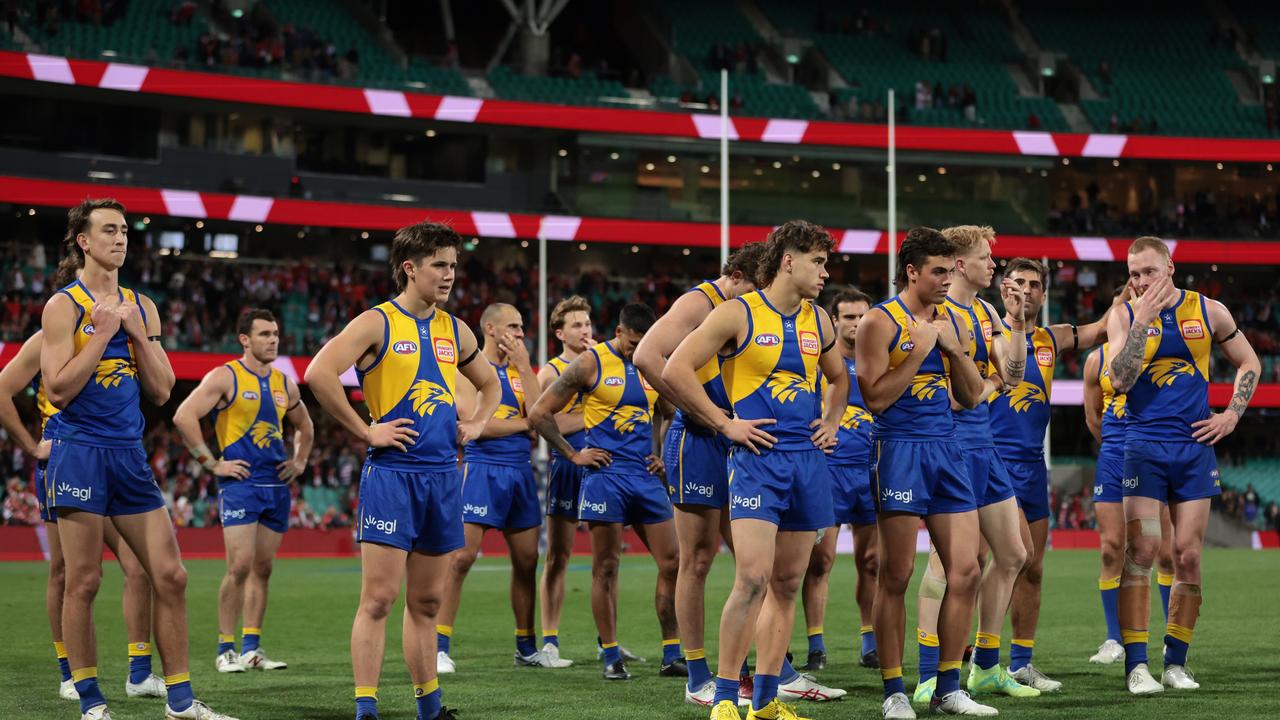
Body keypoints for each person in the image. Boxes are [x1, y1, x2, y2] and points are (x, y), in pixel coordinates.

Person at [40, 198, 235, 720]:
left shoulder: (142, 306)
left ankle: (180, 701)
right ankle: (91, 701)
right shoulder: (63, 307)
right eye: (109, 230)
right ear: (83, 240)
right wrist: (102, 332)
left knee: (170, 575)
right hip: (78, 453)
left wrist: (133, 333)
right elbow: (57, 391)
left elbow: (163, 389)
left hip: (128, 457)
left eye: (124, 230)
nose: (121, 238)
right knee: (84, 580)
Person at [304, 220, 500, 720]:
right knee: (379, 598)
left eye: (454, 265)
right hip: (392, 475)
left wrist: (475, 424)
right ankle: (366, 709)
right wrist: (365, 429)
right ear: (410, 269)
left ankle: (430, 708)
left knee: (429, 603)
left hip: (442, 478)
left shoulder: (454, 329)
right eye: (440, 265)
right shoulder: (376, 323)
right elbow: (318, 373)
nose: (450, 274)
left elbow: (491, 384)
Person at [663, 219, 849, 720]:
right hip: (756, 463)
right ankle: (725, 699)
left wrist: (831, 420)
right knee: (751, 579)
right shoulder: (737, 314)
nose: (825, 273)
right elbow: (674, 367)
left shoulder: (820, 321)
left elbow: (838, 379)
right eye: (818, 262)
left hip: (807, 463)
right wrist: (724, 424)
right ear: (789, 260)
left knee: (788, 583)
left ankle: (765, 703)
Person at [1105, 236, 1260, 694]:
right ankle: (1137, 665)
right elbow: (1118, 378)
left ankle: (1175, 663)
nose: (1140, 282)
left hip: (1194, 448)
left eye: (1148, 272)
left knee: (1188, 555)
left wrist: (1232, 414)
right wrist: (1142, 323)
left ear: (1170, 267)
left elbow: (1248, 360)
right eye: (1133, 274)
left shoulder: (1209, 311)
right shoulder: (1123, 315)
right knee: (1145, 550)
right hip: (1143, 445)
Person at [855, 227, 991, 718]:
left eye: (951, 269)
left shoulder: (955, 319)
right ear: (911, 272)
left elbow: (973, 396)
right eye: (938, 270)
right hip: (898, 450)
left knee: (968, 569)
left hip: (946, 450)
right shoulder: (878, 322)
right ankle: (894, 689)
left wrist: (952, 349)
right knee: (897, 573)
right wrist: (918, 350)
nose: (946, 279)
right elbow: (874, 398)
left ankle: (948, 687)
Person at [0, 330, 166, 703]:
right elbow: (2, 390)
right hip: (67, 461)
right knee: (68, 572)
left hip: (112, 460)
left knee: (140, 566)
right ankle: (69, 673)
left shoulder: (121, 335)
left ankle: (139, 673)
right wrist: (31, 447)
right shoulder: (49, 337)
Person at [911, 226, 1039, 703]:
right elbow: (952, 399)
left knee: (1013, 554)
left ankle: (985, 666)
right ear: (960, 265)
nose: (996, 266)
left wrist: (1020, 323)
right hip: (950, 447)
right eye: (987, 258)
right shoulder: (934, 314)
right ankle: (928, 675)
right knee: (948, 564)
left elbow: (1014, 374)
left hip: (985, 447)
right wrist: (985, 387)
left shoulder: (986, 312)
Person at [632, 242, 764, 704]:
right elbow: (647, 356)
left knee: (754, 563)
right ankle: (697, 677)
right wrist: (704, 412)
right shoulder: (699, 302)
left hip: (736, 438)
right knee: (698, 560)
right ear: (741, 275)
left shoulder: (741, 310)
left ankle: (764, 670)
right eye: (756, 286)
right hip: (701, 441)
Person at [528, 303, 684, 682]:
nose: (636, 351)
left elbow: (668, 409)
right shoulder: (590, 363)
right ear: (618, 332)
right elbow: (538, 412)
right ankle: (611, 655)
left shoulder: (653, 363)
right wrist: (572, 454)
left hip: (644, 477)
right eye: (632, 343)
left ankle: (672, 653)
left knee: (672, 562)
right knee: (606, 568)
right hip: (605, 478)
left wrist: (660, 454)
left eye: (643, 343)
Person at [988, 256, 1123, 693]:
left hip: (1030, 467)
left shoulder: (1050, 338)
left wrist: (1132, 296)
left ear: (1044, 295)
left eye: (1034, 284)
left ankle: (1020, 662)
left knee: (1033, 568)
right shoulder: (983, 333)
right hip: (987, 461)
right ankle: (970, 661)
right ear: (1003, 289)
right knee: (974, 567)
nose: (1026, 290)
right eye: (1018, 282)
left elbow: (1102, 328)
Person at [172, 308, 313, 674]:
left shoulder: (286, 383)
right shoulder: (225, 377)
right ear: (244, 339)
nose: (273, 340)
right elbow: (184, 416)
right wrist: (212, 463)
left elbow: (305, 426)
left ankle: (252, 648)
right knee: (239, 566)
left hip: (275, 485)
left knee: (263, 568)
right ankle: (225, 649)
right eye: (265, 334)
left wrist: (299, 461)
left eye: (276, 333)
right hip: (239, 484)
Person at [435, 303, 544, 672]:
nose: (519, 331)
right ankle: (439, 646)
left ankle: (526, 646)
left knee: (528, 561)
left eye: (521, 324)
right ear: (490, 328)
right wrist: (524, 423)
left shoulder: (518, 370)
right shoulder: (468, 371)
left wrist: (525, 367)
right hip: (482, 469)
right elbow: (473, 424)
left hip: (520, 471)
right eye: (512, 325)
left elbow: (541, 413)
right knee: (461, 559)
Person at [800, 287, 879, 673]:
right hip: (829, 474)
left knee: (872, 561)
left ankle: (870, 642)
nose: (857, 323)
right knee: (821, 561)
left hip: (871, 474)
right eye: (848, 317)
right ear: (834, 322)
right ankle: (816, 643)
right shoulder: (817, 367)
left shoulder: (879, 364)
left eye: (863, 316)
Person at [1083, 336, 1175, 666]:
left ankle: (1170, 635)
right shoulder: (1097, 359)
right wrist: (1116, 445)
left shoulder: (1163, 346)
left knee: (1165, 552)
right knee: (1111, 547)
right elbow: (1094, 416)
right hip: (1113, 456)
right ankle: (1113, 638)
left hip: (1152, 451)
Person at [536, 295, 593, 669]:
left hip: (604, 465)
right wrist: (590, 415)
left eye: (587, 323)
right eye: (576, 325)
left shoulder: (600, 365)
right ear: (559, 332)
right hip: (567, 466)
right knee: (559, 555)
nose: (585, 330)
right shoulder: (549, 373)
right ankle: (551, 642)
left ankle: (610, 642)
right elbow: (543, 424)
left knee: (608, 560)